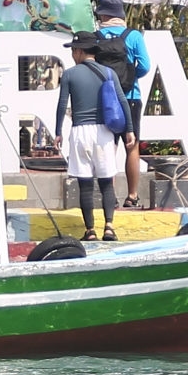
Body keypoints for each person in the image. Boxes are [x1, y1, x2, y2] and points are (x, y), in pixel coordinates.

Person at [52, 30, 127, 240]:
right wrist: (128, 130)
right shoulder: (109, 73)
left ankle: (90, 231)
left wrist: (58, 131)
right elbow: (122, 102)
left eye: (72, 51)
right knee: (106, 182)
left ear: (78, 51)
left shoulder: (69, 74)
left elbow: (62, 104)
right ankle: (109, 227)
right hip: (104, 132)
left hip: (80, 132)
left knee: (85, 184)